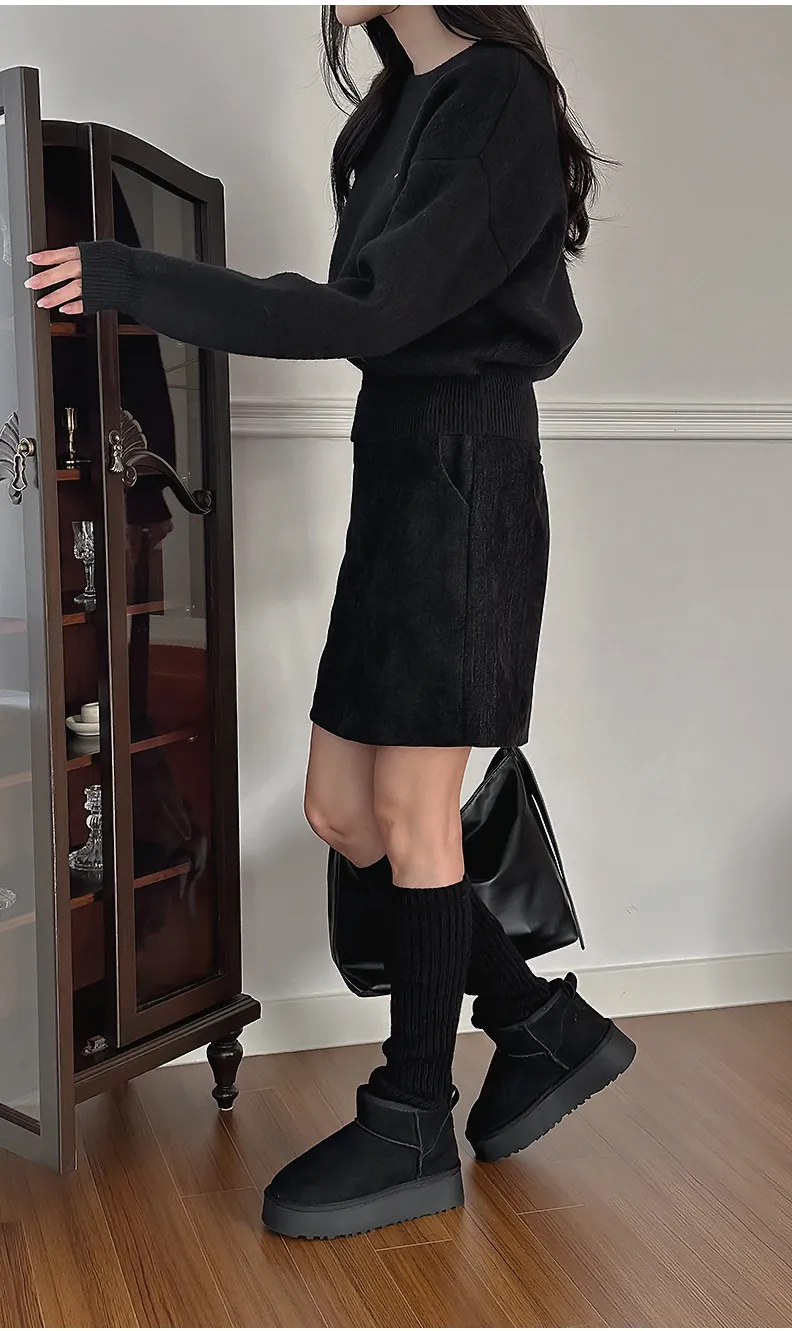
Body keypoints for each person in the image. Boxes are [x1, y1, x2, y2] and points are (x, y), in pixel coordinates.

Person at [26, 4, 636, 1241]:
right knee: (340, 809)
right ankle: (535, 1022)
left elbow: (362, 311)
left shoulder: (495, 95)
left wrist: (131, 277)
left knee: (410, 812)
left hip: (461, 474)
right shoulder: (398, 108)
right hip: (397, 474)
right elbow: (373, 315)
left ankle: (412, 1114)